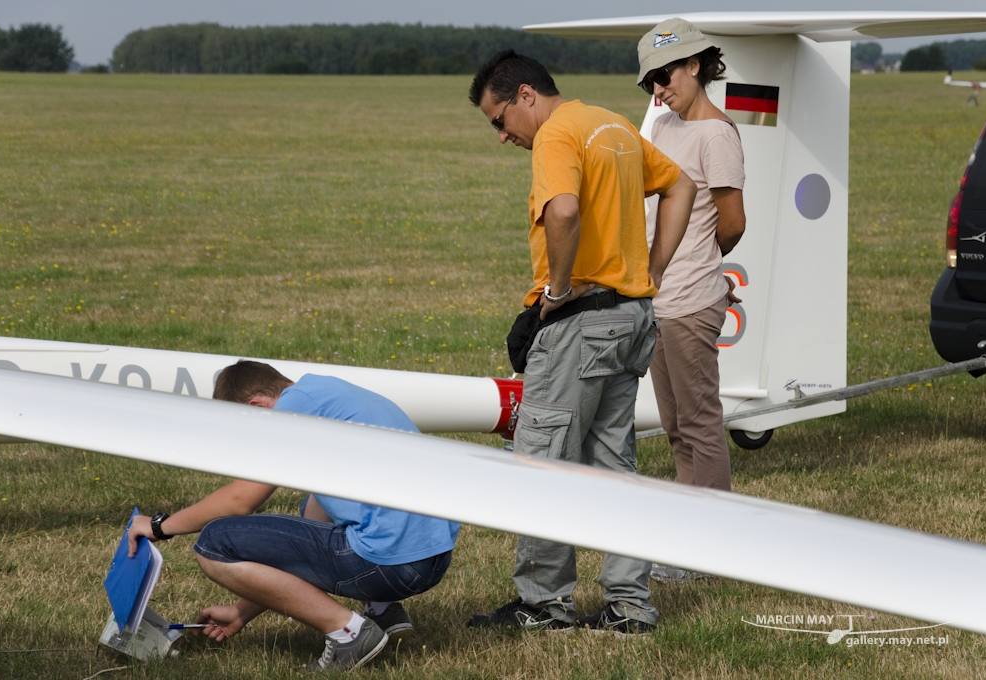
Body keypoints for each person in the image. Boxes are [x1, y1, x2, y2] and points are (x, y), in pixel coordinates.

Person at [466, 50, 696, 634]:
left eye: (499, 120)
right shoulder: (612, 124)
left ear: (524, 96)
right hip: (631, 319)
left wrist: (558, 289)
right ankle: (628, 604)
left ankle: (544, 605)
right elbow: (681, 186)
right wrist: (654, 271)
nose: (501, 136)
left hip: (581, 326)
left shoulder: (555, 135)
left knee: (542, 464)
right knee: (614, 466)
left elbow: (563, 211)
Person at [126, 360, 460, 673]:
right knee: (313, 507)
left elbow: (241, 500)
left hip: (389, 562)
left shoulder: (292, 410)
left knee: (214, 542)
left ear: (257, 407)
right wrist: (241, 613)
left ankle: (349, 633)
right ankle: (383, 609)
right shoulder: (327, 393)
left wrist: (160, 526)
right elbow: (302, 546)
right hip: (430, 556)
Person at [636, 19, 747, 582]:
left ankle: (714, 549)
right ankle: (688, 542)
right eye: (650, 81)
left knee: (701, 424)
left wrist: (696, 261)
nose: (657, 89)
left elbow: (732, 224)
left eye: (665, 75)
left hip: (691, 303)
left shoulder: (717, 134)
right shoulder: (664, 127)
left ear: (696, 65)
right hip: (658, 300)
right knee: (676, 426)